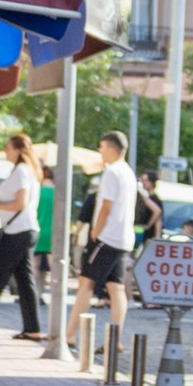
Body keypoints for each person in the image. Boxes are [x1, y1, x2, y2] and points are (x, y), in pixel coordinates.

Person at [0, 131, 44, 338]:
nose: (6, 152)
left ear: (18, 150)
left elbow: (20, 202)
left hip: (17, 232)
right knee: (24, 281)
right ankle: (33, 327)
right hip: (25, 230)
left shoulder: (21, 171)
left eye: (9, 148)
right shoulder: (28, 171)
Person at [82, 133, 136, 363]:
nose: (100, 150)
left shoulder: (112, 172)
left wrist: (95, 231)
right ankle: (116, 337)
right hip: (123, 239)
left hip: (107, 237)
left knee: (86, 283)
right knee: (116, 288)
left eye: (102, 146)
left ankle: (68, 335)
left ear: (112, 148)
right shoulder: (129, 172)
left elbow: (106, 206)